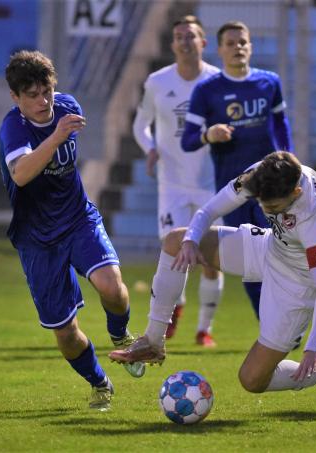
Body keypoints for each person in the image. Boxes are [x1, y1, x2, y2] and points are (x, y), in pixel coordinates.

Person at [109, 152, 316, 395]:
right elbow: (208, 211)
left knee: (252, 380)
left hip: (299, 282)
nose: (267, 210)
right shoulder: (263, 173)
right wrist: (191, 241)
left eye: (274, 207)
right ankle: (153, 342)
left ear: (296, 193)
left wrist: (313, 349)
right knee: (175, 241)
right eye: (262, 203)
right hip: (270, 247)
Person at [0, 50, 146, 412]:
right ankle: (99, 382)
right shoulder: (13, 127)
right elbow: (21, 173)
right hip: (37, 238)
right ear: (16, 98)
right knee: (64, 331)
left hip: (79, 219)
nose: (43, 100)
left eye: (46, 90)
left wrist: (59, 129)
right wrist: (55, 138)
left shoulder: (66, 106)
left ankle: (120, 332)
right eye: (31, 95)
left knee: (112, 287)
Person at [180, 20, 293, 320]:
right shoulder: (207, 90)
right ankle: (269, 322)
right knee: (250, 262)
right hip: (235, 189)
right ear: (220, 50)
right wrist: (209, 134)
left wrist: (288, 158)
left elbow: (281, 124)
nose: (238, 48)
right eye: (231, 43)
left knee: (279, 254)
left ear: (250, 46)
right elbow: (188, 140)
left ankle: (282, 320)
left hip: (271, 188)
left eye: (242, 42)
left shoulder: (269, 83)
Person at [132, 16, 223, 347]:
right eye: (179, 36)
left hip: (212, 182)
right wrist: (151, 148)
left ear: (203, 43)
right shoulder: (157, 82)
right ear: (172, 44)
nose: (185, 41)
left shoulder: (218, 80)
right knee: (172, 250)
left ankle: (204, 330)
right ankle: (175, 308)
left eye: (192, 36)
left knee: (213, 257)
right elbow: (140, 125)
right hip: (171, 183)